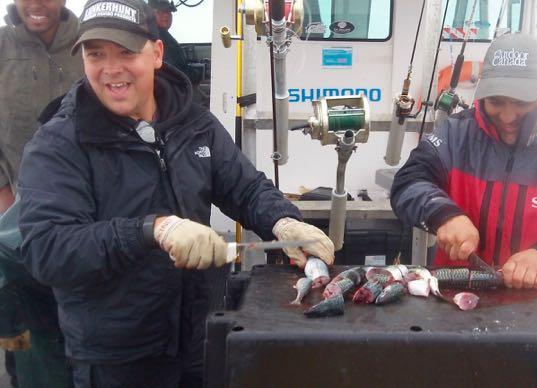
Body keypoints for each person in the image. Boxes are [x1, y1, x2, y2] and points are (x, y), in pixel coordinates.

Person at [17, 0, 334, 386]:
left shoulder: (192, 121)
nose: (111, 69)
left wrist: (282, 220)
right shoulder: (58, 142)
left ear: (157, 53)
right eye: (95, 53)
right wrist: (152, 230)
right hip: (117, 359)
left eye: (126, 52)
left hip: (197, 339)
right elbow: (46, 249)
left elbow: (244, 187)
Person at [391, 33, 537, 319]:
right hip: (454, 307)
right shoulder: (456, 134)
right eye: (495, 102)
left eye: (521, 103)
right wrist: (442, 213)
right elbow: (409, 181)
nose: (507, 117)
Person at [0, 0, 83, 386]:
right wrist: (5, 200)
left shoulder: (90, 45)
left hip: (84, 222)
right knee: (29, 352)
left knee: (84, 336)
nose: (36, 3)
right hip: (15, 221)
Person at [149, 0, 200, 84]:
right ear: (150, 14)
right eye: (160, 12)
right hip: (170, 88)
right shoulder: (159, 38)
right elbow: (176, 72)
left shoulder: (160, 34)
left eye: (168, 12)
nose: (165, 15)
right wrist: (198, 74)